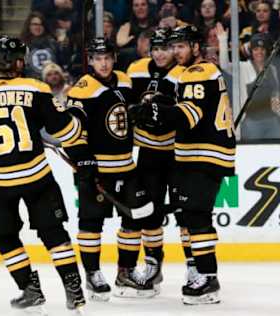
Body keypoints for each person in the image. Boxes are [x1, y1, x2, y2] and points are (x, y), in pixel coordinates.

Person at [0, 35, 86, 313]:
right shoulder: (36, 88)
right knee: (53, 233)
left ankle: (29, 288)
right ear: (21, 61)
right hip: (36, 177)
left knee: (6, 237)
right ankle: (73, 289)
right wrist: (75, 113)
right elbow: (68, 134)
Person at [130, 25, 236, 304]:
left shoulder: (198, 72)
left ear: (196, 47)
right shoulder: (200, 72)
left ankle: (208, 279)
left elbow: (188, 115)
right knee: (193, 216)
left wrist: (152, 110)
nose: (176, 52)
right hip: (199, 155)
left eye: (181, 46)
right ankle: (204, 274)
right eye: (173, 46)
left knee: (197, 217)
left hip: (204, 155)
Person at [65, 37, 155, 301]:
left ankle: (125, 271)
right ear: (90, 60)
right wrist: (83, 160)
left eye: (107, 58)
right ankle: (92, 274)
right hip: (97, 168)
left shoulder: (125, 81)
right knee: (92, 222)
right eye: (97, 58)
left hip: (126, 165)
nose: (103, 63)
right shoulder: (82, 89)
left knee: (133, 219)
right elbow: (72, 132)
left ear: (114, 58)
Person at [126, 28, 186, 294]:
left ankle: (195, 265)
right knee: (148, 210)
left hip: (177, 152)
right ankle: (153, 264)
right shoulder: (135, 70)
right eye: (156, 48)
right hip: (148, 153)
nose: (161, 54)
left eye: (166, 48)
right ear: (149, 50)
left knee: (186, 213)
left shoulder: (183, 73)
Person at [217, 24, 280, 139]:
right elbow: (224, 65)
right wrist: (223, 40)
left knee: (274, 154)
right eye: (256, 49)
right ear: (251, 51)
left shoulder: (272, 68)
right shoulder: (243, 67)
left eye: (262, 49)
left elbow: (276, 90)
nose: (259, 52)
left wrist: (277, 100)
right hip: (252, 122)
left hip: (272, 119)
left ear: (266, 51)